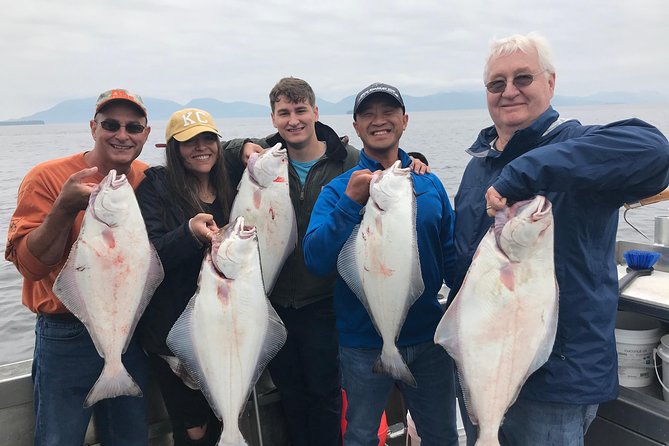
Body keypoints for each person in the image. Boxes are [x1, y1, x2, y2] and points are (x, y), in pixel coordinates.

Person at [449, 32, 669, 446]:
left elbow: (655, 153)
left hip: (556, 383)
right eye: (497, 84)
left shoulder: (581, 144)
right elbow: (462, 257)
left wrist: (524, 172)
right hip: (482, 366)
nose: (509, 91)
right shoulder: (478, 166)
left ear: (550, 83)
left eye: (523, 78)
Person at [303, 82, 459, 446]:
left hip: (429, 339)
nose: (379, 121)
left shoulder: (428, 182)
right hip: (362, 344)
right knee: (360, 436)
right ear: (355, 127)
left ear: (404, 121)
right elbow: (316, 259)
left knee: (441, 436)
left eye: (388, 112)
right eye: (368, 114)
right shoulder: (338, 189)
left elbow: (450, 255)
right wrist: (349, 204)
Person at [5, 88, 152, 445]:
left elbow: (202, 160)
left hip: (129, 329)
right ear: (93, 127)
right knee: (59, 438)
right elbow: (29, 266)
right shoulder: (47, 178)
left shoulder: (148, 178)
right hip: (65, 335)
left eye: (133, 127)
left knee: (130, 438)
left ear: (146, 134)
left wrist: (239, 148)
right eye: (111, 124)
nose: (122, 135)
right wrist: (64, 207)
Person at [222, 77, 359, 446]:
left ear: (315, 111)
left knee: (326, 395)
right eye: (284, 113)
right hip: (274, 302)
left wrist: (419, 164)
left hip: (324, 302)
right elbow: (211, 151)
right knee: (291, 397)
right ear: (273, 117)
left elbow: (387, 168)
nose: (293, 120)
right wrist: (241, 148)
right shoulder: (261, 158)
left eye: (300, 110)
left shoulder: (347, 159)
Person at [135, 108, 234, 445]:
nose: (200, 147)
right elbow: (148, 258)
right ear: (172, 148)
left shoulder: (229, 188)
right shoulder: (155, 187)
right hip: (172, 334)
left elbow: (263, 149)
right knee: (194, 429)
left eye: (208, 138)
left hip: (223, 329)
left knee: (223, 413)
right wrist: (189, 233)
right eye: (189, 141)